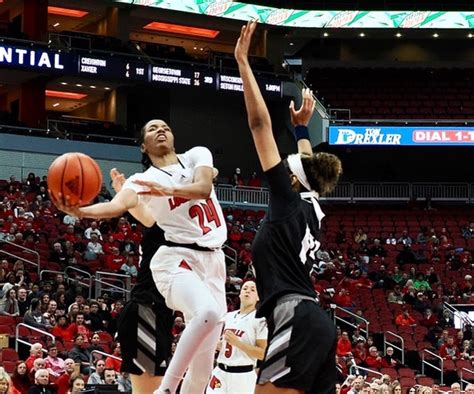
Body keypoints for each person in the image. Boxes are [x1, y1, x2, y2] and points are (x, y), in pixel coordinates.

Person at [53, 116, 228, 394]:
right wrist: (81, 211)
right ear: (143, 146)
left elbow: (202, 188)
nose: (161, 130)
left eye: (166, 127)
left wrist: (165, 190)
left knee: (202, 371)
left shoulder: (196, 156)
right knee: (206, 313)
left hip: (211, 265)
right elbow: (115, 206)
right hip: (163, 283)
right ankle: (167, 390)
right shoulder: (143, 182)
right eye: (153, 128)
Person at [235, 20, 342, 394]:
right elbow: (307, 167)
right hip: (317, 322)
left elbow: (259, 125)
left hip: (295, 315)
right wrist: (300, 132)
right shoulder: (313, 206)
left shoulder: (287, 199)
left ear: (291, 181)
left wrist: (244, 65)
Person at [206, 280, 268, 393]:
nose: (247, 291)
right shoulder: (228, 316)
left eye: (252, 290)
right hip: (220, 372)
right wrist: (218, 345)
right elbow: (226, 345)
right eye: (245, 289)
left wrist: (238, 343)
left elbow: (262, 354)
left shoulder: (260, 320)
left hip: (242, 376)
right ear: (239, 294)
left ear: (258, 297)